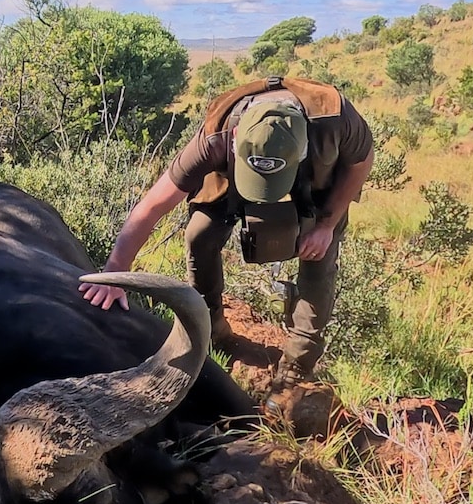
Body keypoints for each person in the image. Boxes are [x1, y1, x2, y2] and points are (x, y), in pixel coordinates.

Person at [79, 76, 374, 390]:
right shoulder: (215, 135)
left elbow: (361, 163)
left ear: (302, 150)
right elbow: (152, 205)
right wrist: (114, 271)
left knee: (321, 255)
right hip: (229, 173)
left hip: (315, 176)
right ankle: (212, 331)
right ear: (235, 139)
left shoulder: (334, 118)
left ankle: (297, 366)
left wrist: (326, 225)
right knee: (199, 234)